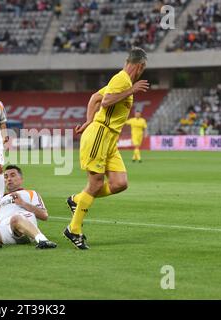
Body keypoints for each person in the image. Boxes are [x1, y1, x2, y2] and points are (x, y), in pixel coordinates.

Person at [64, 47, 149, 249]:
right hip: (100, 135)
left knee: (120, 183)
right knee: (94, 185)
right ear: (141, 65)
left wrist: (87, 122)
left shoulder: (121, 80)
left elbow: (95, 97)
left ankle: (77, 199)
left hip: (109, 139)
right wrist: (132, 90)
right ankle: (73, 230)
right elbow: (107, 101)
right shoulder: (122, 80)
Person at [0, 165, 57, 249]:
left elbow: (44, 215)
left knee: (15, 219)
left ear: (21, 179)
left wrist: (23, 203)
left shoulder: (31, 193)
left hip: (25, 229)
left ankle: (43, 240)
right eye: (6, 177)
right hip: (6, 231)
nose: (9, 179)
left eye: (13, 175)